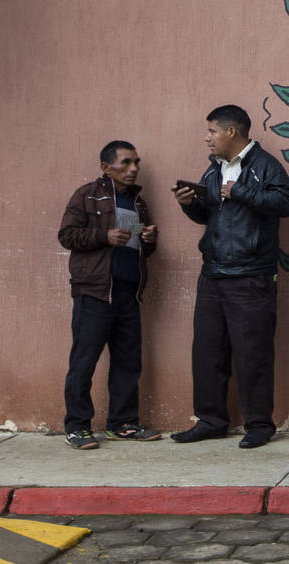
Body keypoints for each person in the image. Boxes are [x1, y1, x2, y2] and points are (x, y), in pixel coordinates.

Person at [170, 105, 289, 449]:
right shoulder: (214, 171)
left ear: (232, 132)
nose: (207, 138)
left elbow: (286, 203)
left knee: (252, 353)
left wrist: (239, 191)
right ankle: (210, 420)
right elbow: (211, 215)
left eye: (212, 131)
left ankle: (259, 425)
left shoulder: (266, 166)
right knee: (207, 352)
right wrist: (189, 204)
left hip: (251, 276)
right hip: (212, 274)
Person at [58, 140, 161, 449]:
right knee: (84, 361)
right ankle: (77, 426)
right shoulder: (87, 195)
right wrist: (104, 236)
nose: (133, 169)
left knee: (129, 362)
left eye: (137, 163)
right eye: (126, 163)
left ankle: (123, 423)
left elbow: (144, 251)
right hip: (95, 292)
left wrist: (149, 239)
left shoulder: (137, 202)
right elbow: (66, 235)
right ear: (106, 167)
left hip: (129, 293)